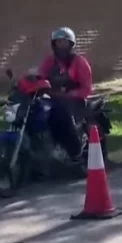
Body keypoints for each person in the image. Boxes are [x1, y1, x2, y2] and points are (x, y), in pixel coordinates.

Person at [37, 27, 93, 163]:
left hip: (75, 101)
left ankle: (74, 150)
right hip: (53, 98)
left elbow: (86, 89)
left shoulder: (79, 62)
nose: (61, 46)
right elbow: (41, 77)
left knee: (59, 113)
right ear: (54, 44)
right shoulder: (49, 61)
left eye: (64, 42)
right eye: (58, 42)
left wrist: (68, 95)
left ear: (71, 44)